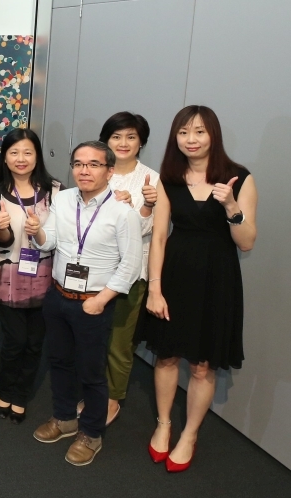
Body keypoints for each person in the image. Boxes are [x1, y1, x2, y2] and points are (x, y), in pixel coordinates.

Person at [143, 105, 257, 473]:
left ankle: (190, 433)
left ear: (213, 136)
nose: (191, 139)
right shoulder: (169, 178)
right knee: (166, 355)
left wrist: (230, 205)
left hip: (216, 279)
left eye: (199, 132)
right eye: (183, 132)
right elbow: (159, 237)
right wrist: (154, 289)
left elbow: (247, 242)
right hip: (174, 274)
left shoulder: (238, 178)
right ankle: (164, 423)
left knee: (203, 365)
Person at [29, 140, 142, 466]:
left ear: (109, 170)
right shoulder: (62, 199)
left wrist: (102, 300)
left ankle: (91, 433)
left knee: (92, 373)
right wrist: (37, 232)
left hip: (94, 303)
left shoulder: (123, 213)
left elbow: (131, 264)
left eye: (93, 164)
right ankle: (64, 419)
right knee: (60, 363)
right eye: (78, 163)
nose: (84, 170)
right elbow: (49, 242)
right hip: (59, 295)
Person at [0, 128, 61, 424]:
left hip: (44, 275)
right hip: (8, 275)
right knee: (14, 340)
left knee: (35, 342)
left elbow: (61, 238)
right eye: (14, 152)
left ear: (37, 156)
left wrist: (41, 233)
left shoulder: (55, 191)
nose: (21, 158)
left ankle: (21, 395)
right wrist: (0, 227)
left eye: (28, 152)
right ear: (5, 158)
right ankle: (5, 389)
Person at [96, 112, 159, 425]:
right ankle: (94, 391)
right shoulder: (96, 170)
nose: (123, 143)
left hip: (131, 273)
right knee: (94, 337)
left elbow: (148, 230)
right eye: (116, 136)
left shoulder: (151, 179)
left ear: (141, 142)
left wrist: (143, 206)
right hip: (94, 271)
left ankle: (111, 399)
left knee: (120, 342)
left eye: (131, 137)